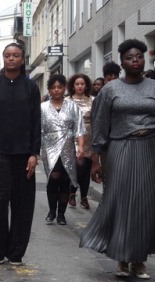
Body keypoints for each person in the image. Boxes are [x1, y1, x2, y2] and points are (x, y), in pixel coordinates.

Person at [80, 39, 155, 279]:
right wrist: (96, 160)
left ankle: (139, 260)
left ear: (144, 59)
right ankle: (122, 258)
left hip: (152, 149)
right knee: (122, 201)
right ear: (122, 62)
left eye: (138, 57)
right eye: (129, 57)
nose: (135, 61)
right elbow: (101, 126)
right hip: (121, 148)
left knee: (146, 204)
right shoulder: (110, 90)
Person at [0, 43, 41, 266]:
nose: (11, 59)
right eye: (7, 55)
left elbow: (36, 123)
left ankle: (16, 252)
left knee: (23, 205)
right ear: (3, 59)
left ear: (23, 59)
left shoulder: (31, 88)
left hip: (24, 155)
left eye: (16, 55)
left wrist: (35, 153)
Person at [41, 74, 85, 225]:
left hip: (67, 147)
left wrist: (80, 147)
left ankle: (61, 214)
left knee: (65, 180)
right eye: (53, 87)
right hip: (49, 147)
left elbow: (79, 128)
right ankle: (52, 210)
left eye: (60, 87)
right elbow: (38, 131)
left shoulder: (72, 106)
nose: (57, 90)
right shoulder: (43, 108)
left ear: (64, 88)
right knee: (53, 178)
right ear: (49, 90)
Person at [66, 73, 93, 210]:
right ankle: (72, 192)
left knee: (86, 167)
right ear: (73, 86)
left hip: (89, 136)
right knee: (77, 165)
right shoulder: (67, 101)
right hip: (73, 137)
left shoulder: (93, 100)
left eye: (82, 84)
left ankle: (84, 197)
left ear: (86, 85)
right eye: (77, 84)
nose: (80, 86)